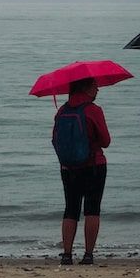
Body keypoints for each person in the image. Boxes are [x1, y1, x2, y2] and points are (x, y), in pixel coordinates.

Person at [54, 77, 111, 265]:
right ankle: (88, 254)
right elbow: (106, 141)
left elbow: (55, 140)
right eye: (95, 86)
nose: (98, 89)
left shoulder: (62, 110)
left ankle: (67, 254)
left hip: (68, 167)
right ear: (86, 88)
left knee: (70, 209)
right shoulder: (93, 110)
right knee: (92, 209)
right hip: (94, 164)